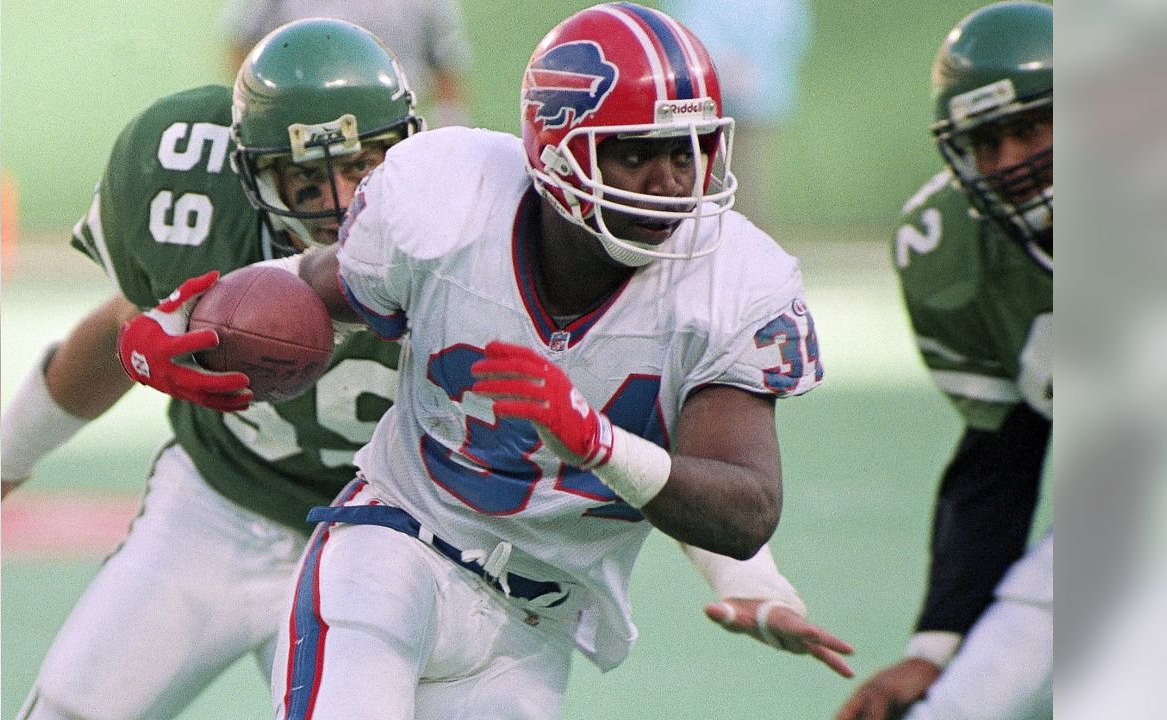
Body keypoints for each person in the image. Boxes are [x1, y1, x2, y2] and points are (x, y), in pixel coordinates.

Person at [118, 4, 855, 718]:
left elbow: (746, 504)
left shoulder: (736, 278)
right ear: (558, 151)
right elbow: (311, 285)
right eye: (636, 153)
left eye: (689, 149)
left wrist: (600, 444)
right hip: (395, 549)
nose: (673, 182)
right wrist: (173, 320)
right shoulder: (450, 201)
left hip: (531, 626)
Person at [1, 19, 422, 719]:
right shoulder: (184, 185)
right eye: (306, 179)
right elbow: (118, 322)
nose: (342, 201)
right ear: (253, 174)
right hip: (220, 504)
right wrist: (6, 459)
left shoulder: (457, 223)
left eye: (361, 166)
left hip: (387, 534)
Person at [835, 3, 1053, 719]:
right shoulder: (949, 250)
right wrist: (937, 648)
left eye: (1028, 129)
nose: (1009, 165)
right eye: (986, 141)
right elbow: (1002, 448)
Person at [660, 0, 812, 224]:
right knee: (699, 193)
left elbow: (792, 33)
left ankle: (745, 252)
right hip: (703, 108)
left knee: (745, 194)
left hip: (755, 110)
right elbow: (680, 33)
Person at [217, 0, 474, 127]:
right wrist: (267, 111)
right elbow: (241, 45)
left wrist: (449, 126)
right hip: (306, 122)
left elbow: (445, 63)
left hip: (393, 126)